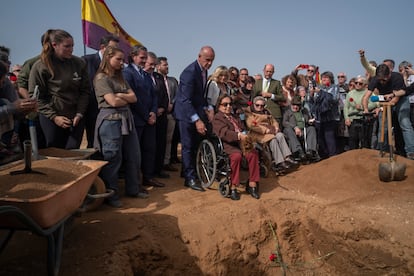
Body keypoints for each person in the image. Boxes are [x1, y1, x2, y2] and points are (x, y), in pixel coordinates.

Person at [93, 46, 144, 208]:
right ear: (108, 58)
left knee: (133, 156)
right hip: (110, 121)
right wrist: (124, 98)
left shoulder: (121, 78)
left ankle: (133, 189)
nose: (122, 63)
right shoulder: (101, 78)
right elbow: (112, 102)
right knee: (113, 158)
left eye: (123, 59)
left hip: (126, 120)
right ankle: (111, 194)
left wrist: (121, 96)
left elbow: (133, 98)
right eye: (118, 59)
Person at [28, 29, 90, 149]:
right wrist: (54, 117)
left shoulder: (79, 63)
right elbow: (36, 97)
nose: (71, 49)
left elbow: (85, 91)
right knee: (54, 152)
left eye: (72, 46)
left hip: (76, 117)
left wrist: (79, 113)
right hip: (52, 118)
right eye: (67, 46)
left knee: (73, 152)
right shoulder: (41, 66)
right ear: (54, 45)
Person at [173, 46, 215, 192]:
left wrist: (208, 107)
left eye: (212, 61)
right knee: (187, 145)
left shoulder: (204, 71)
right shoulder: (189, 73)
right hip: (185, 114)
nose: (209, 63)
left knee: (196, 144)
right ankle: (189, 179)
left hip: (196, 111)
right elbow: (185, 100)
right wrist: (197, 120)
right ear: (199, 56)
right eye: (207, 60)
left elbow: (199, 96)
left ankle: (189, 171)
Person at [123, 46, 165, 188]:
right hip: (137, 119)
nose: (144, 60)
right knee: (135, 153)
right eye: (142, 57)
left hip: (150, 120)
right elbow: (133, 98)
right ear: (133, 56)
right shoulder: (127, 73)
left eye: (145, 58)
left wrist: (153, 112)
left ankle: (148, 177)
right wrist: (146, 115)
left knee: (149, 149)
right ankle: (135, 183)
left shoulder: (146, 75)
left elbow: (153, 96)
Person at [212, 94, 260, 200]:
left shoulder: (234, 117)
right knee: (236, 156)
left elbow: (242, 127)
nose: (228, 106)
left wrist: (245, 134)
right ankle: (233, 185)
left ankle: (252, 183)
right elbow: (223, 133)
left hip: (241, 142)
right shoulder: (217, 118)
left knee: (253, 154)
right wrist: (238, 135)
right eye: (225, 104)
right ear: (219, 106)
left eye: (230, 104)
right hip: (228, 144)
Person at [362, 64, 414, 160]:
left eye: (384, 80)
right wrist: (365, 109)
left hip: (400, 100)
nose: (381, 82)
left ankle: (411, 152)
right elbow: (366, 97)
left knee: (405, 123)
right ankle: (383, 151)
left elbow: (396, 99)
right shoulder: (375, 79)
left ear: (389, 74)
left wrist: (384, 107)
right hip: (385, 100)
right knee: (383, 127)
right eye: (380, 79)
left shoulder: (397, 78)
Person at [82, 34, 119, 149]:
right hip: (90, 109)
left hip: (108, 111)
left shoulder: (115, 65)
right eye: (112, 48)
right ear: (103, 47)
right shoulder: (86, 61)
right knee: (93, 143)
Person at [245, 96, 298, 174]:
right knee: (273, 140)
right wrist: (265, 130)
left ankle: (287, 157)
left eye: (262, 106)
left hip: (270, 130)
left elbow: (274, 121)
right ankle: (279, 162)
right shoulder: (249, 113)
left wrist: (276, 127)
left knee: (280, 135)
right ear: (254, 104)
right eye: (257, 105)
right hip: (258, 133)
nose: (260, 107)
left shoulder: (267, 111)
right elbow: (251, 125)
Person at [1, 60, 37, 165]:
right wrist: (12, 107)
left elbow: (14, 112)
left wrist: (25, 109)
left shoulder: (6, 85)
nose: (2, 85)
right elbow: (11, 107)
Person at [144, 51, 170, 179]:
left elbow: (165, 96)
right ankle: (149, 172)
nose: (152, 67)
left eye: (154, 65)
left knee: (161, 144)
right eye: (150, 64)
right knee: (149, 147)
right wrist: (152, 111)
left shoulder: (158, 77)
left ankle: (159, 169)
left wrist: (162, 108)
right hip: (147, 118)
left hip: (161, 116)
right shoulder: (142, 76)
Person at [156, 56, 179, 172]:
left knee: (169, 139)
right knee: (158, 140)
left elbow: (177, 95)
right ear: (158, 66)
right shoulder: (155, 79)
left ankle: (166, 161)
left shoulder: (173, 80)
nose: (167, 67)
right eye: (165, 65)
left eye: (167, 64)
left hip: (171, 114)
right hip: (158, 114)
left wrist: (172, 103)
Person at [311, 71, 340, 158]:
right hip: (319, 117)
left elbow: (334, 99)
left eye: (326, 77)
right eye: (323, 77)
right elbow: (314, 101)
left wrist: (321, 93)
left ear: (331, 79)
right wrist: (312, 94)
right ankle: (324, 156)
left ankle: (332, 156)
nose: (324, 79)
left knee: (329, 137)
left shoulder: (335, 87)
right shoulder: (319, 87)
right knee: (320, 139)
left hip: (331, 117)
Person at [344, 76, 378, 149]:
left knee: (365, 141)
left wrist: (362, 107)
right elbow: (346, 107)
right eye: (356, 83)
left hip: (364, 120)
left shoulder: (369, 93)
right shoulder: (350, 93)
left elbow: (374, 104)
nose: (357, 85)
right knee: (352, 141)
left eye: (360, 83)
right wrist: (346, 118)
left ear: (365, 85)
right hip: (353, 120)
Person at [282, 95, 319, 163]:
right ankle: (298, 152)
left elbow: (307, 120)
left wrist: (310, 121)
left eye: (297, 105)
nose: (295, 107)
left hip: (303, 129)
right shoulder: (287, 111)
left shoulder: (304, 111)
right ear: (291, 104)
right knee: (288, 130)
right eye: (294, 105)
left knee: (311, 129)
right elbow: (284, 122)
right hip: (292, 130)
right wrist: (295, 127)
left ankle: (310, 151)